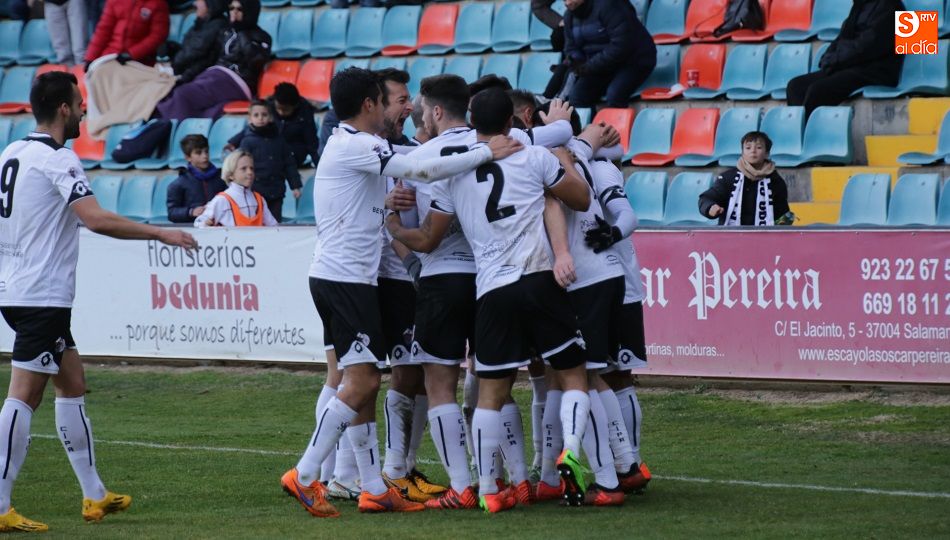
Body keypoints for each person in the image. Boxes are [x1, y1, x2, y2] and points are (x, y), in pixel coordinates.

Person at [280, 67, 522, 519]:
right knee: (362, 380)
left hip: (354, 278)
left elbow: (397, 176)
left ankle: (373, 486)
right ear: (370, 104)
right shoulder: (356, 143)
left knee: (365, 380)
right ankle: (306, 472)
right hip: (344, 280)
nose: (402, 108)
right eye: (389, 100)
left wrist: (388, 208)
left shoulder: (351, 146)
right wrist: (483, 150)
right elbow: (423, 166)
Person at [0, 71, 197, 532]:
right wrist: (160, 233)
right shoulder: (59, 158)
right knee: (23, 396)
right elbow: (95, 219)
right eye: (80, 102)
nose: (85, 110)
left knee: (72, 381)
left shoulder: (12, 151)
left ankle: (94, 495)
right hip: (41, 294)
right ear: (64, 109)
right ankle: (1, 503)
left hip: (18, 287)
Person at [386, 87, 594, 513]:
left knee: (481, 392)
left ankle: (480, 488)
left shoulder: (447, 167)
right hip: (537, 278)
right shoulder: (532, 151)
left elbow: (429, 236)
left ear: (443, 114)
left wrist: (394, 227)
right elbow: (579, 196)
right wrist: (564, 161)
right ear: (510, 123)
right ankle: (554, 459)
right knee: (571, 376)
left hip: (487, 287)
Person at [154, 0, 272, 121]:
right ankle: (167, 128)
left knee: (182, 96)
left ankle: (172, 129)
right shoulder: (226, 32)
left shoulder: (261, 36)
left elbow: (256, 63)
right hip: (213, 75)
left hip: (236, 82)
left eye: (239, 9)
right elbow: (209, 59)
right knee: (170, 94)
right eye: (231, 8)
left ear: (250, 12)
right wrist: (186, 76)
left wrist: (243, 33)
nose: (234, 12)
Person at [786, 0, 905, 118]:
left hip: (877, 70)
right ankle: (798, 132)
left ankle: (809, 133)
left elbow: (867, 46)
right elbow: (842, 38)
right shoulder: (861, 5)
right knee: (796, 86)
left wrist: (836, 60)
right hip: (853, 65)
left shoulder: (890, 6)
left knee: (818, 90)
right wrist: (828, 57)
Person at [558, 0, 656, 108]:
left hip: (634, 60)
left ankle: (616, 124)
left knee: (615, 94)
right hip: (599, 65)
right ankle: (588, 125)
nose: (567, 3)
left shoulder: (610, 5)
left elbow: (621, 45)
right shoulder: (569, 16)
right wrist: (576, 63)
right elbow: (570, 47)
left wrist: (588, 66)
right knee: (577, 96)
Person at [698, 131, 792, 226]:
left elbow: (781, 214)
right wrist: (710, 208)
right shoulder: (728, 178)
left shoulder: (776, 181)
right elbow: (707, 198)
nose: (753, 150)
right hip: (731, 239)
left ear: (767, 153)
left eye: (759, 147)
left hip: (764, 238)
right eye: (748, 147)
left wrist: (784, 221)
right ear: (742, 152)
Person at [235, 101, 301, 222]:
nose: (260, 118)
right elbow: (242, 166)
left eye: (264, 114)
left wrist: (295, 186)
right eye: (256, 115)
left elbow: (289, 163)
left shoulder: (279, 139)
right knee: (257, 224)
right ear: (249, 119)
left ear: (270, 117)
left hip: (276, 191)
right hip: (255, 192)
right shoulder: (247, 141)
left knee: (275, 225)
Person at [227, 83, 320, 168]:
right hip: (271, 148)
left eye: (286, 110)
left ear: (295, 106)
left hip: (294, 151)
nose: (281, 112)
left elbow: (311, 142)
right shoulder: (269, 106)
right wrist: (234, 142)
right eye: (279, 108)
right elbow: (253, 128)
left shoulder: (305, 112)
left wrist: (319, 166)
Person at [194, 150, 278, 227]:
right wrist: (205, 224)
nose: (250, 172)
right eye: (243, 169)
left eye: (251, 168)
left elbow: (274, 227)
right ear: (230, 175)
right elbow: (199, 222)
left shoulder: (259, 200)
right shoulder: (222, 200)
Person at [83, 0, 169, 66]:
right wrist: (90, 58)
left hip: (139, 63)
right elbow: (103, 30)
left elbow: (158, 36)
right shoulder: (115, 1)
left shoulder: (158, 4)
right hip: (109, 57)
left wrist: (132, 54)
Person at [166, 0, 230, 85]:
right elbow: (187, 49)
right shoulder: (201, 23)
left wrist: (178, 75)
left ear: (211, 4)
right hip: (182, 72)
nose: (195, 3)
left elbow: (201, 59)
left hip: (194, 79)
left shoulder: (216, 26)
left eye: (200, 0)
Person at [166, 134, 226, 224]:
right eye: (198, 153)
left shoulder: (221, 178)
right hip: (193, 229)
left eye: (206, 151)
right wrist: (191, 212)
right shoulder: (178, 184)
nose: (204, 156)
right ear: (188, 157)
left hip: (218, 226)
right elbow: (172, 213)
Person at [45, 0, 88, 66]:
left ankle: (83, 74)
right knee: (62, 53)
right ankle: (67, 75)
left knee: (80, 49)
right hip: (51, 3)